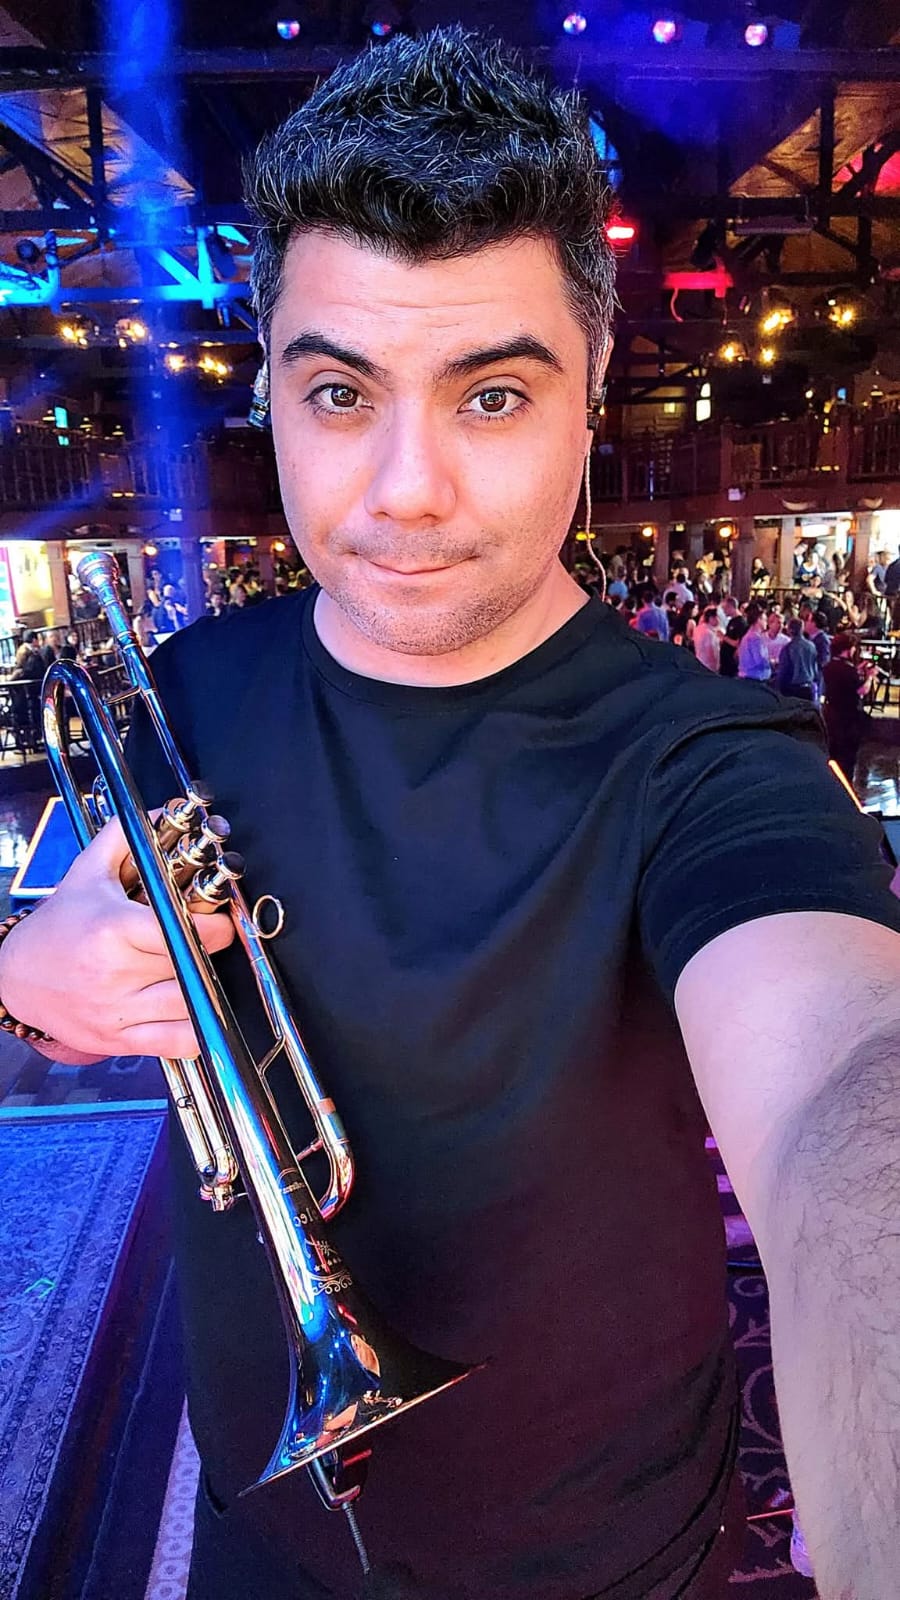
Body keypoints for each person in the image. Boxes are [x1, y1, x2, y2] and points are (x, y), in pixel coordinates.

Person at [3, 27, 900, 1600]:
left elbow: (843, 1094)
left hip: (610, 1562)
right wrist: (29, 978)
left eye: (490, 395)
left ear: (591, 398)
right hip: (257, 1526)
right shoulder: (187, 689)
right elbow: (53, 954)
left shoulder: (714, 762)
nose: (406, 486)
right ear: (273, 392)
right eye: (339, 392)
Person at [821, 634, 871, 787]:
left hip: (832, 714)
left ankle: (832, 784)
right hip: (848, 718)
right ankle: (846, 786)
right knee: (848, 756)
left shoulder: (829, 666)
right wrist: (870, 677)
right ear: (847, 649)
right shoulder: (848, 670)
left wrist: (857, 669)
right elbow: (861, 690)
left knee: (834, 753)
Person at [776, 617, 820, 702]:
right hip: (809, 688)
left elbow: (783, 671)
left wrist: (779, 688)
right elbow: (815, 668)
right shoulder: (811, 646)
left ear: (789, 630)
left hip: (793, 690)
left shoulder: (788, 649)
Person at [736, 602, 771, 682]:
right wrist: (773, 662)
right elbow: (760, 660)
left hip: (750, 677)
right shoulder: (755, 638)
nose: (767, 623)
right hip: (754, 679)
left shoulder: (751, 635)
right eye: (765, 620)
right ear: (759, 620)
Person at [692, 605, 722, 672]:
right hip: (709, 666)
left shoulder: (698, 628)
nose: (719, 621)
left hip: (699, 663)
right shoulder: (709, 633)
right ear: (711, 618)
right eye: (718, 617)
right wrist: (716, 667)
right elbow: (710, 651)